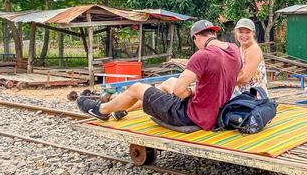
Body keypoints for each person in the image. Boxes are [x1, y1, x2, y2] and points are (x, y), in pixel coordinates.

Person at [77, 20, 242, 131]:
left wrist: (191, 93)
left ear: (196, 37)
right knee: (167, 82)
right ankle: (121, 109)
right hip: (215, 111)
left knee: (136, 87)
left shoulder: (203, 55)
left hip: (191, 116)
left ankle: (102, 110)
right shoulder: (233, 50)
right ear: (213, 33)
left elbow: (179, 91)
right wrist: (196, 90)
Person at [232, 18, 268, 96]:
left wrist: (224, 83)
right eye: (240, 32)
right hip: (244, 96)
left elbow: (245, 78)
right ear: (236, 33)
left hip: (254, 99)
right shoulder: (240, 49)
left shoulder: (253, 49)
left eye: (248, 32)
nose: (244, 35)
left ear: (253, 33)